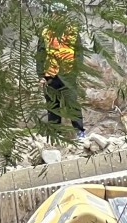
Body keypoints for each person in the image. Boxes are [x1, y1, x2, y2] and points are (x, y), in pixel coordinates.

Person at [36, 3, 85, 137]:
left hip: (68, 74)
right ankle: (54, 134)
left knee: (72, 103)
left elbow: (79, 53)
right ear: (52, 14)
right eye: (55, 14)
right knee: (52, 106)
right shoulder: (45, 32)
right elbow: (40, 54)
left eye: (61, 14)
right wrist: (41, 75)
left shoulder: (73, 32)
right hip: (50, 74)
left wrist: (76, 70)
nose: (58, 16)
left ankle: (80, 132)